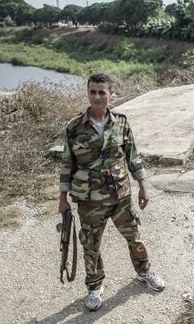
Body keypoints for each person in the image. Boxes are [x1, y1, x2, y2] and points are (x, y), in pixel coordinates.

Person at [58, 73, 165, 311]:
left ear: (111, 94)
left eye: (102, 92)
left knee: (134, 237)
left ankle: (144, 272)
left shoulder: (121, 122)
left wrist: (143, 186)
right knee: (90, 245)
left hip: (120, 198)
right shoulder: (74, 128)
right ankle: (95, 287)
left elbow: (133, 156)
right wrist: (62, 199)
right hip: (89, 200)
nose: (97, 96)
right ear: (88, 93)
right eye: (93, 92)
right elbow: (67, 165)